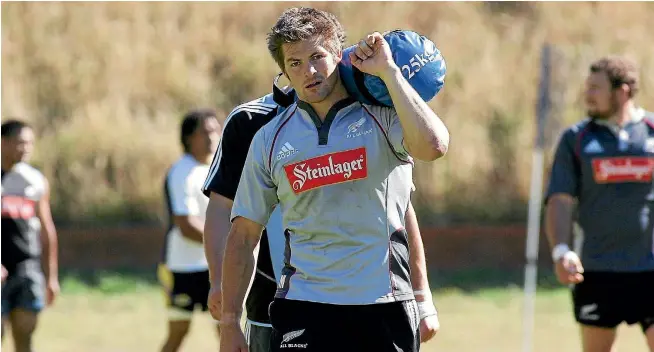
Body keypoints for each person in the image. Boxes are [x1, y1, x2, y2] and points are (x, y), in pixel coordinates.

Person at [220, 7, 449, 352]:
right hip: (304, 307)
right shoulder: (269, 140)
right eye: (295, 63)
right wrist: (229, 321)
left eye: (317, 56)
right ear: (283, 71)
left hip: (383, 305)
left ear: (339, 54)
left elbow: (434, 146)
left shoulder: (385, 116)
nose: (309, 71)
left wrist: (388, 72)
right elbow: (243, 235)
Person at [544, 56, 654, 352]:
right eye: (587, 87)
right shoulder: (576, 139)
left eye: (596, 88)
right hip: (596, 270)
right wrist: (561, 250)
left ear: (624, 90)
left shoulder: (651, 130)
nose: (587, 94)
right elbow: (560, 200)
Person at [158, 109, 221, 352]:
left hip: (213, 265)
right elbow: (185, 225)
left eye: (216, 130)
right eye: (205, 132)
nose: (212, 137)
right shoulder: (181, 172)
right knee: (178, 331)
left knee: (225, 325)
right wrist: (224, 242)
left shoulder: (220, 168)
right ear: (187, 138)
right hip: (182, 266)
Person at [1, 119, 60, 352]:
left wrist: (51, 276)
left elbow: (47, 229)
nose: (25, 148)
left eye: (29, 143)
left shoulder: (35, 181)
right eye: (19, 143)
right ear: (3, 143)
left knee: (25, 336)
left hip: (27, 268)